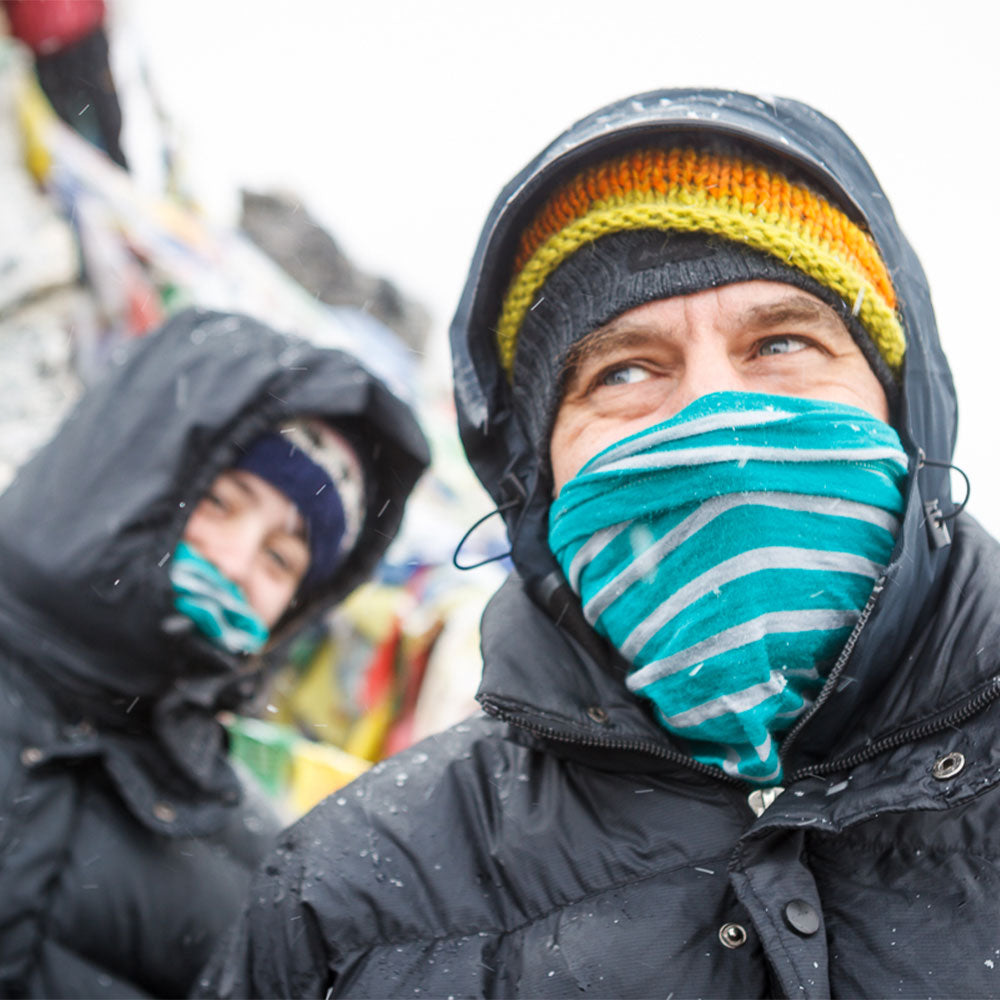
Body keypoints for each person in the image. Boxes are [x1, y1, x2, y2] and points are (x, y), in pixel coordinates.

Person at [197, 89, 1000, 998]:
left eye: (781, 344)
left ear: (903, 408)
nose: (713, 418)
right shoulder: (343, 903)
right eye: (625, 370)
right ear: (538, 482)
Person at [0, 308, 428, 997]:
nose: (233, 561)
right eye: (223, 502)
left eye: (281, 559)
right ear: (128, 477)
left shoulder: (249, 866)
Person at [2, 0, 128, 168]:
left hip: (86, 34)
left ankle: (119, 171)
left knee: (109, 120)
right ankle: (91, 175)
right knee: (69, 131)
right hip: (45, 51)